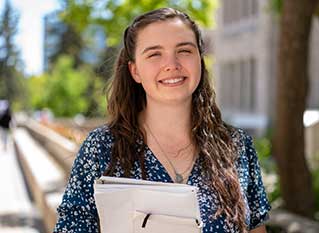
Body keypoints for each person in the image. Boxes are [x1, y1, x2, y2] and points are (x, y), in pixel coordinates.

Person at [53, 8, 271, 233]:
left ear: (200, 60)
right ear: (135, 70)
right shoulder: (101, 148)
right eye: (154, 54)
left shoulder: (237, 145)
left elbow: (256, 227)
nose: (172, 64)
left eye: (184, 50)